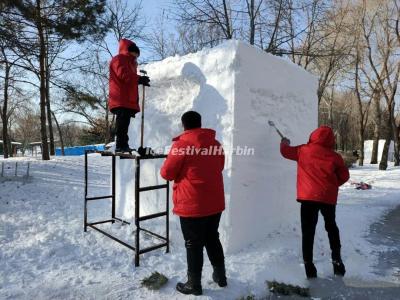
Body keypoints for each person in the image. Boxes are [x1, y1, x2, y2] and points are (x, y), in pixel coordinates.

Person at [160, 111, 227, 296]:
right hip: (214, 201)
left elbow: (167, 173)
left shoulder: (180, 146)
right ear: (200, 123)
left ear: (184, 126)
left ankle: (194, 284)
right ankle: (221, 276)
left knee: (193, 243)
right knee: (212, 237)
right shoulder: (215, 144)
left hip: (191, 204)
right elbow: (219, 166)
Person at [280, 126, 349, 279]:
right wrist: (331, 185)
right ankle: (337, 261)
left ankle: (309, 266)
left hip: (308, 198)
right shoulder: (334, 157)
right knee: (331, 227)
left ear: (313, 136)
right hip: (327, 198)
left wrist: (284, 142)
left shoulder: (303, 150)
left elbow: (285, 152)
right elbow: (345, 176)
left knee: (308, 232)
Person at [108, 38, 150, 153]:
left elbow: (130, 79)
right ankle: (120, 146)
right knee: (122, 123)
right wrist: (139, 79)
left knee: (125, 124)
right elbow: (123, 75)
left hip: (126, 98)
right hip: (120, 98)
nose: (136, 56)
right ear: (130, 51)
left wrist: (140, 80)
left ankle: (123, 145)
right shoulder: (119, 59)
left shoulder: (131, 62)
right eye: (135, 53)